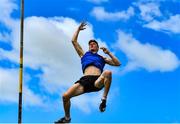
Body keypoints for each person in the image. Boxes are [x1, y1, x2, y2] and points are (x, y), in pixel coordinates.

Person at [55, 22, 121, 123]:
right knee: (65, 96)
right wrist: (78, 29)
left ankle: (103, 100)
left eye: (94, 44)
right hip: (85, 81)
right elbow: (73, 41)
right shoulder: (84, 55)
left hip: (97, 81)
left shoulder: (102, 58)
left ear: (97, 48)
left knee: (108, 72)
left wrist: (109, 53)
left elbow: (117, 63)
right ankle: (67, 118)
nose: (91, 45)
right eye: (90, 44)